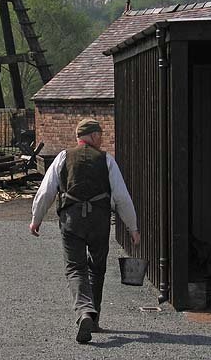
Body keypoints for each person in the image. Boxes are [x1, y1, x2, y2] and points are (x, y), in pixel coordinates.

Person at [29, 118, 140, 344]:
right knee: (97, 269)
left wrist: (36, 219)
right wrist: (133, 227)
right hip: (99, 222)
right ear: (92, 136)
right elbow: (121, 197)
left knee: (75, 269)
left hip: (72, 222)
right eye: (100, 134)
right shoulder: (106, 160)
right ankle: (94, 317)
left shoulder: (63, 157)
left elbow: (46, 191)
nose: (102, 139)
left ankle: (84, 313)